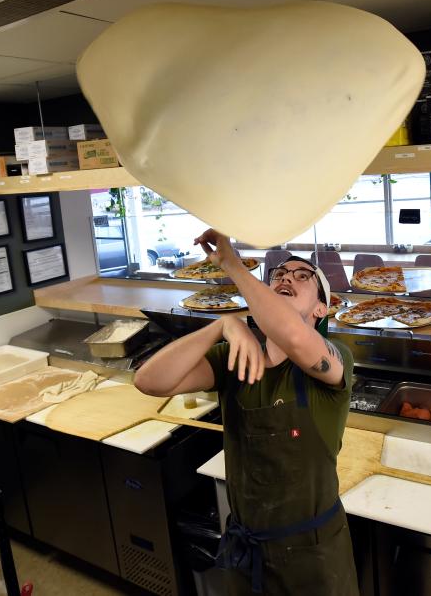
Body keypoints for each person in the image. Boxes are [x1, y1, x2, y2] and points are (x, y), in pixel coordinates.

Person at [134, 229, 358, 596]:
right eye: (280, 275)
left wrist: (233, 266)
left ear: (321, 309)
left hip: (314, 558)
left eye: (304, 277)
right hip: (247, 551)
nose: (287, 277)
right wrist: (222, 325)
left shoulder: (334, 361)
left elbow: (296, 338)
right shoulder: (234, 360)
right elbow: (149, 381)